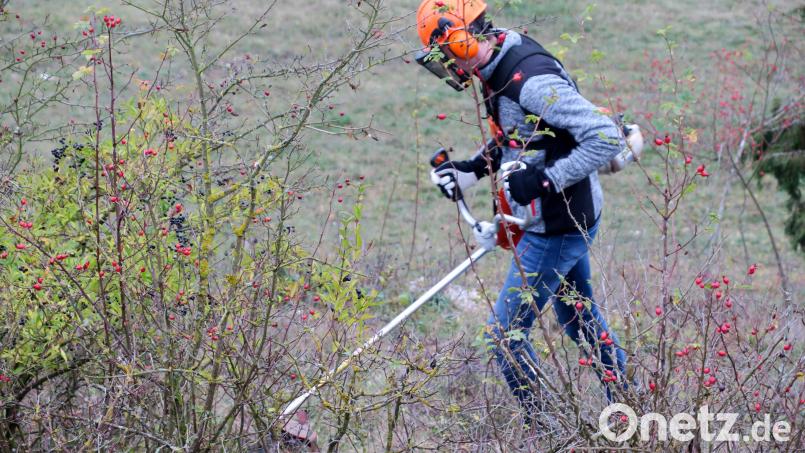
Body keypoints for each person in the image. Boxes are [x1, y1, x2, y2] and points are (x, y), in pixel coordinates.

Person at [415, 0, 644, 424]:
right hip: (556, 219)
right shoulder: (494, 63)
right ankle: (631, 400)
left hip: (558, 225)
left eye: (443, 54)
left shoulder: (530, 82)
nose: (445, 67)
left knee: (503, 337)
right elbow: (522, 138)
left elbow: (605, 139)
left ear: (461, 40)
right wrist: (469, 171)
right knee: (576, 316)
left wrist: (543, 182)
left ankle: (550, 431)